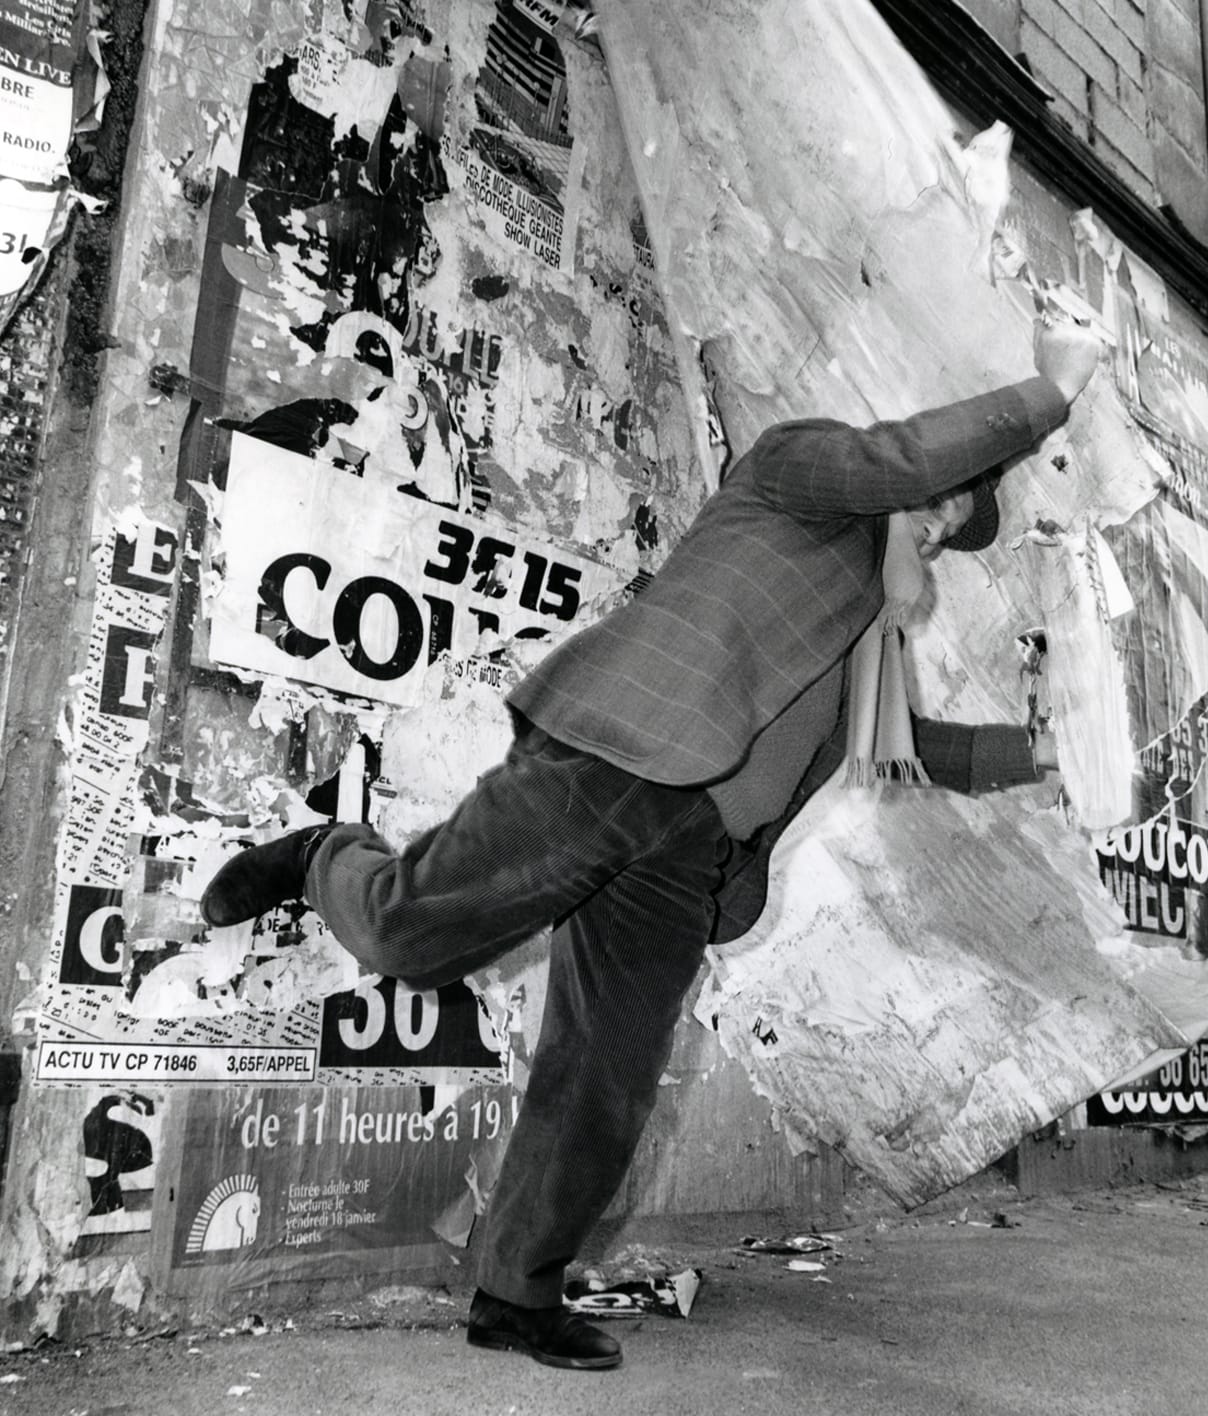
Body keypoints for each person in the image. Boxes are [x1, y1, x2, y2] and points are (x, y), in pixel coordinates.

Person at [202, 319, 1101, 1371]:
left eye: (953, 527)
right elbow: (899, 457)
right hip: (614, 754)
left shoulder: (866, 629)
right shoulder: (795, 477)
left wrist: (1037, 755)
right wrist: (1048, 390)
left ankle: (514, 1293)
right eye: (943, 506)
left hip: (693, 853)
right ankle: (320, 856)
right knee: (408, 938)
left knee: (605, 1074)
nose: (940, 530)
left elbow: (900, 747)